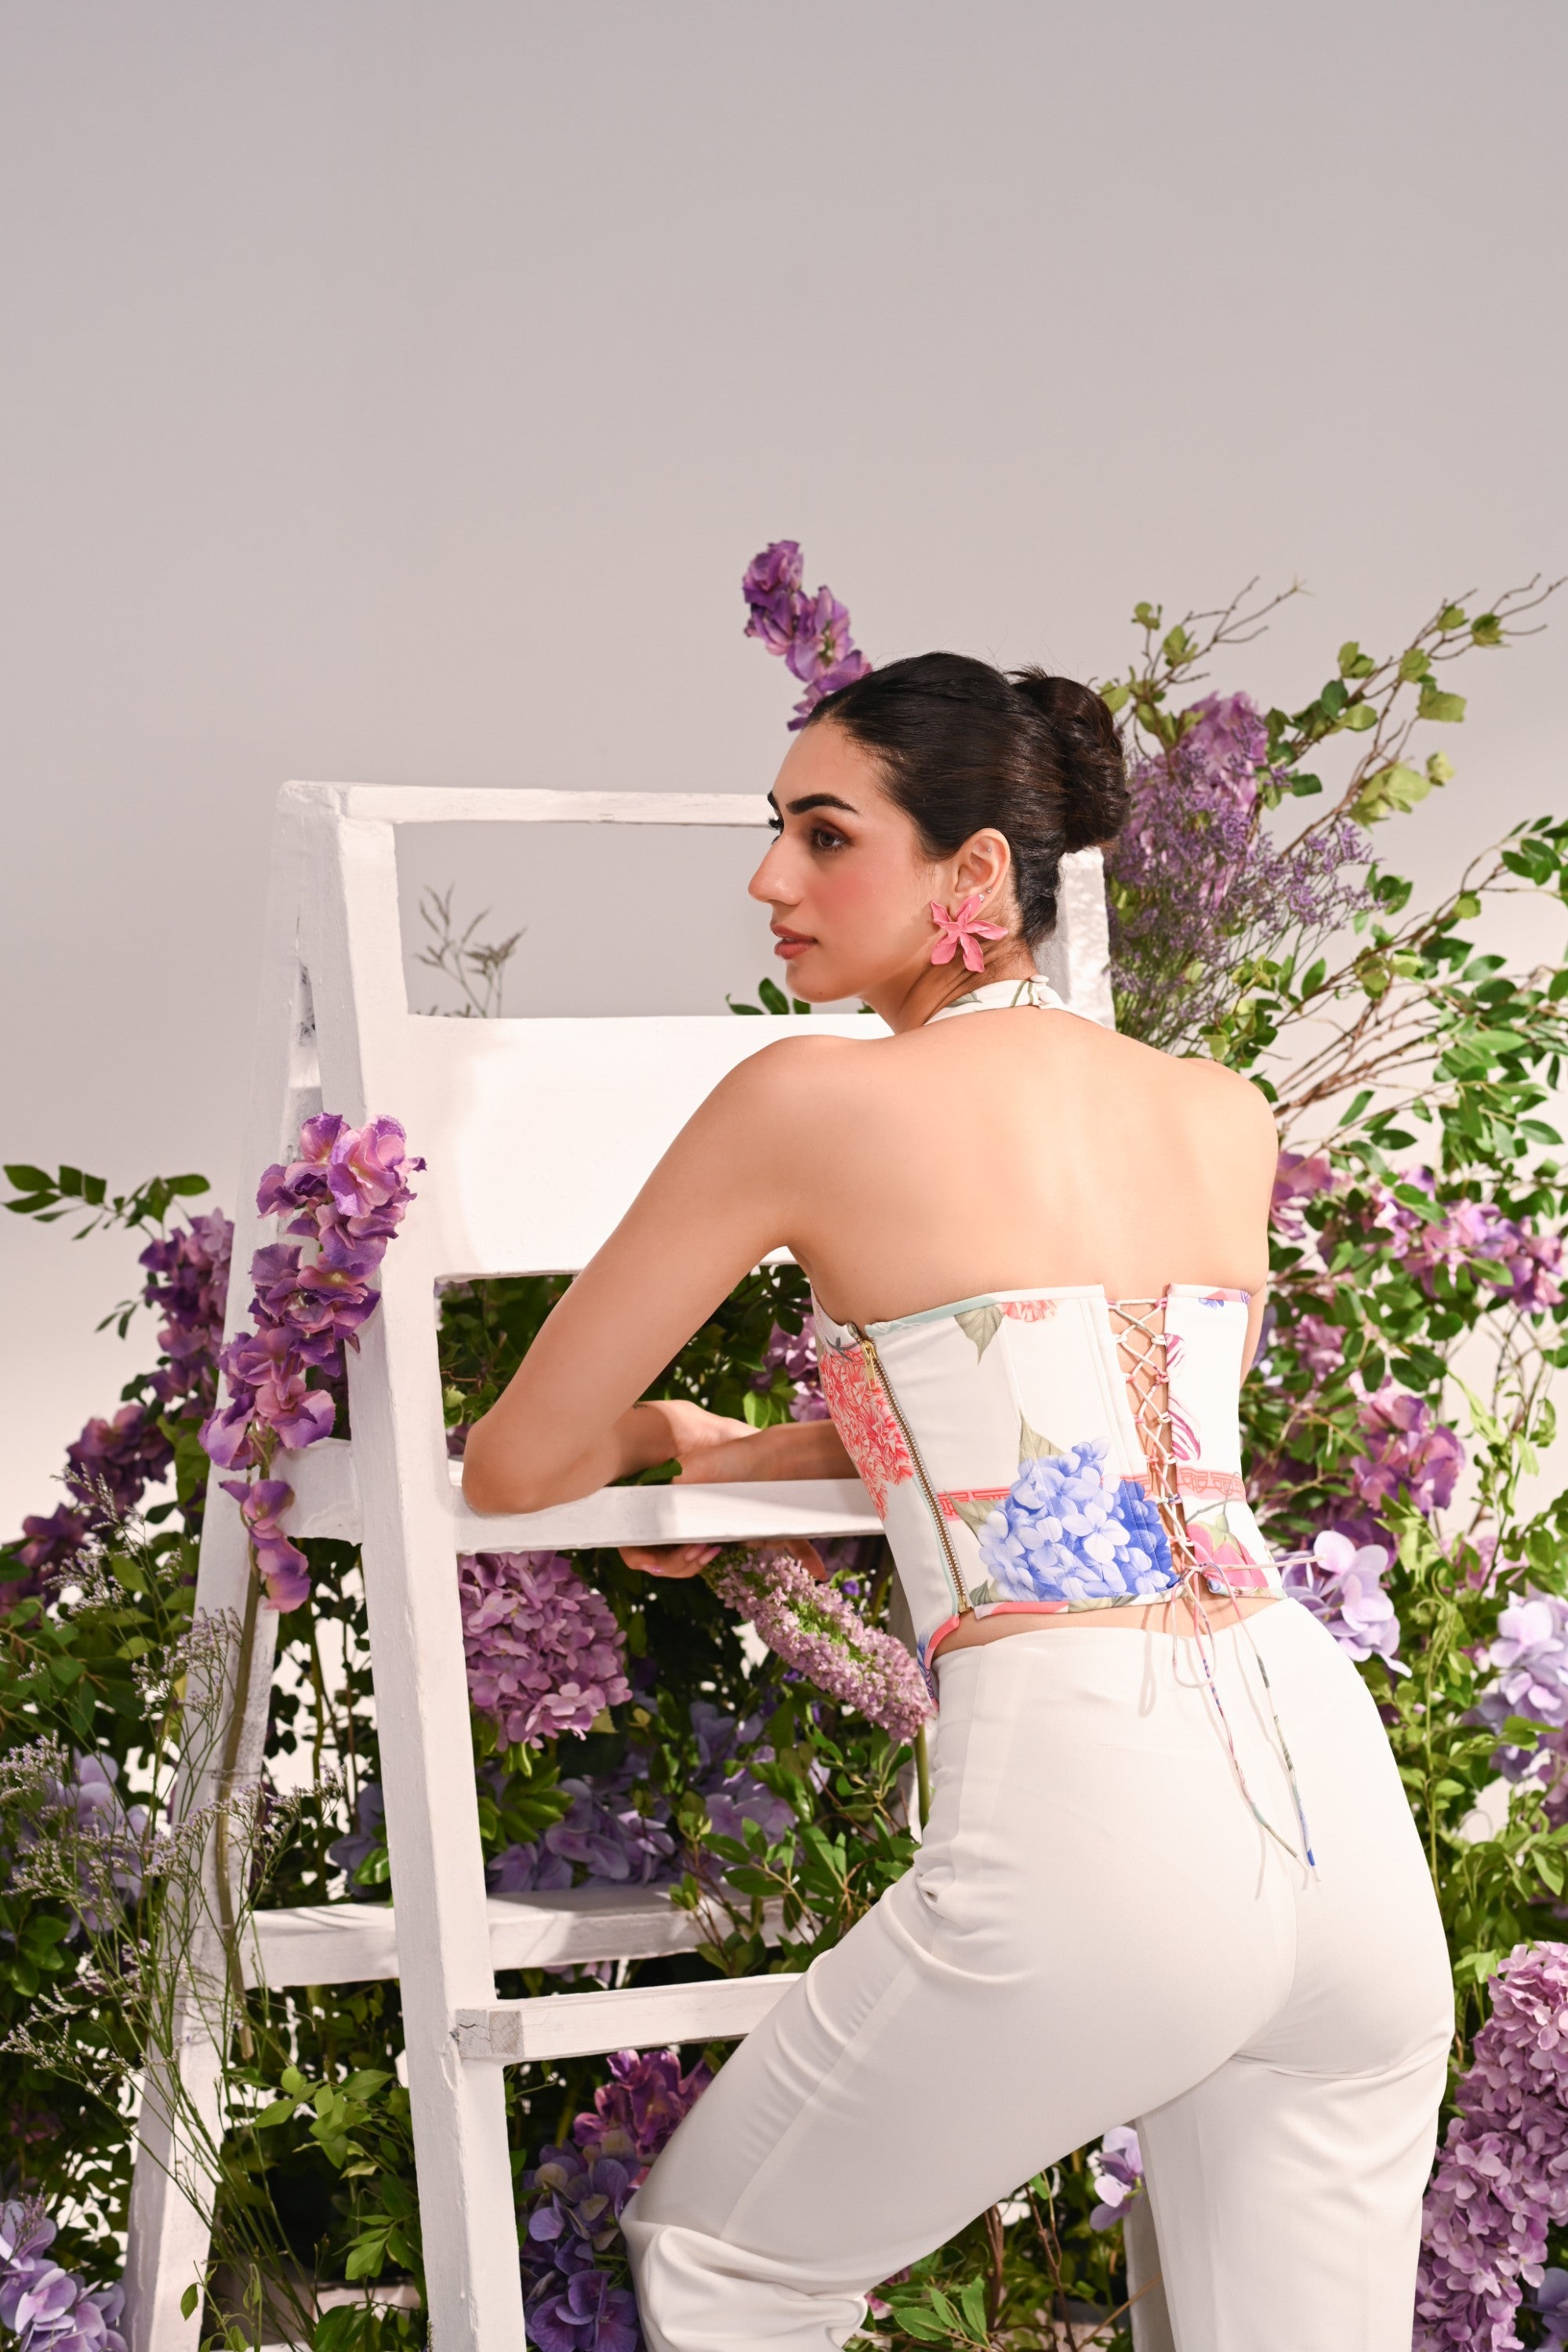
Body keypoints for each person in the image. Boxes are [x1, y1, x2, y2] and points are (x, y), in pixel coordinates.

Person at [461, 652, 1454, 2352]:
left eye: (824, 835)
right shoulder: (1218, 1110)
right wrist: (745, 1448)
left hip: (1100, 1812)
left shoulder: (805, 1098)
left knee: (726, 2268)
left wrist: (650, 1432)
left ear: (974, 874)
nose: (769, 879)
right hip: (1340, 1822)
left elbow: (515, 1463)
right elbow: (1086, 1436)